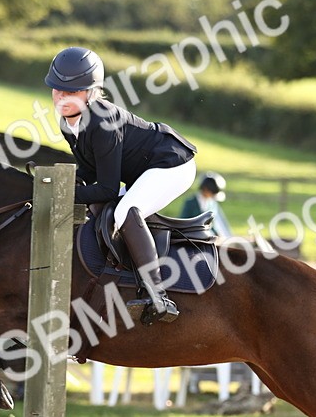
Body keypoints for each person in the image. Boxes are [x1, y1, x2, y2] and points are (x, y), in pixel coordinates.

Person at [46, 46, 198, 323]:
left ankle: (158, 296)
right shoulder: (68, 123)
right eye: (57, 89)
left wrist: (62, 194)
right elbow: (90, 172)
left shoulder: (103, 122)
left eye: (72, 91)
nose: (62, 97)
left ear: (91, 92)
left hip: (172, 164)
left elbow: (106, 187)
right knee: (98, 206)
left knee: (125, 211)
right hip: (146, 169)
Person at [180, 171, 232, 239]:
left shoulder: (212, 203)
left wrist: (218, 235)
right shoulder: (190, 203)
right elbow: (183, 221)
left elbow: (213, 224)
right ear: (205, 189)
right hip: (192, 237)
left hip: (208, 237)